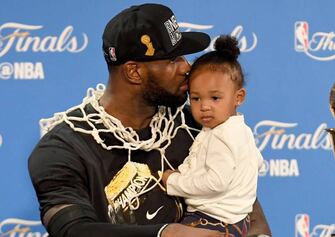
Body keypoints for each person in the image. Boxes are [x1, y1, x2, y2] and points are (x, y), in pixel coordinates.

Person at [28, 3, 271, 237]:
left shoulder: (200, 124)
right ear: (134, 71)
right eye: (173, 60)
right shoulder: (64, 148)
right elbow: (71, 230)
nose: (187, 67)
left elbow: (246, 210)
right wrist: (165, 233)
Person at [161, 35, 263, 237]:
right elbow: (257, 162)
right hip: (236, 221)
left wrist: (173, 181)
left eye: (215, 98)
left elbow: (215, 183)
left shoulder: (222, 136)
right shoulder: (238, 129)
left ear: (238, 97)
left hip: (212, 223)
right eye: (196, 98)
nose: (204, 106)